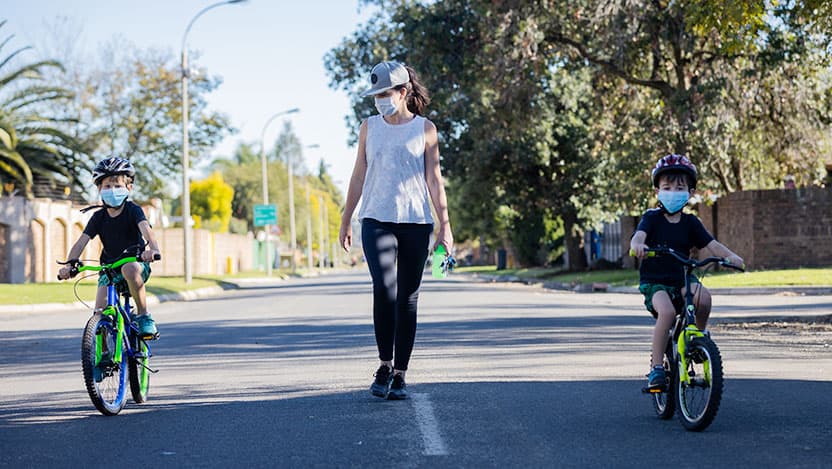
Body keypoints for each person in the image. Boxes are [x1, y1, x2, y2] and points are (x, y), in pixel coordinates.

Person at [339, 61, 453, 400]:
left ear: (403, 92)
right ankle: (384, 364)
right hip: (376, 218)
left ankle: (401, 373)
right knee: (385, 288)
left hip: (416, 221)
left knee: (407, 297)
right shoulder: (368, 127)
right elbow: (358, 175)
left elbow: (434, 178)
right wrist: (346, 219)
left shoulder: (426, 129)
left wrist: (445, 225)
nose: (378, 100)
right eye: (375, 95)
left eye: (384, 93)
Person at [629, 154, 743, 391]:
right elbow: (639, 236)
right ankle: (657, 368)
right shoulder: (651, 218)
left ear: (690, 193)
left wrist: (730, 256)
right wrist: (637, 245)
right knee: (668, 313)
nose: (673, 191)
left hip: (682, 278)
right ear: (658, 191)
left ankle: (696, 338)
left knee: (704, 298)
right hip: (655, 283)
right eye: (667, 187)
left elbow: (711, 245)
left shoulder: (691, 223)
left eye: (679, 187)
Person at [58, 157, 162, 339]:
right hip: (109, 270)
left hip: (135, 264)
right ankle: (103, 355)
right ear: (99, 189)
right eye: (107, 186)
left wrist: (152, 250)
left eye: (117, 185)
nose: (112, 190)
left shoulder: (134, 210)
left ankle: (144, 315)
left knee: (129, 269)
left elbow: (147, 231)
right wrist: (69, 264)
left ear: (129, 188)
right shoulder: (98, 217)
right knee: (100, 313)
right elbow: (81, 242)